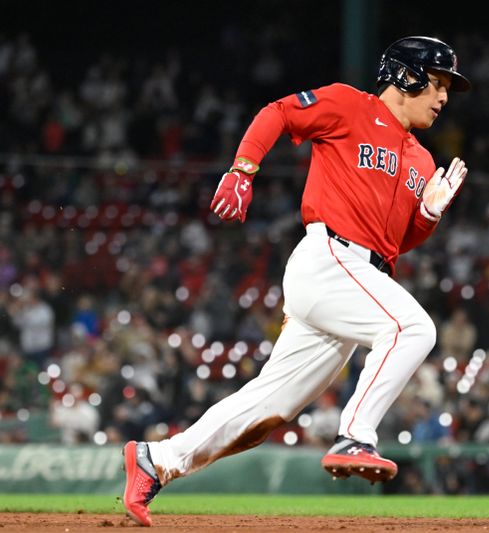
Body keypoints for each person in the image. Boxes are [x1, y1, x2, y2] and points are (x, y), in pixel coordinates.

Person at [121, 35, 470, 527]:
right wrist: (243, 169)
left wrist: (428, 215)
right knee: (414, 329)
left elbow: (394, 242)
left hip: (357, 278)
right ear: (405, 76)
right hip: (328, 257)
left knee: (269, 407)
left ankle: (158, 460)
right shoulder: (351, 106)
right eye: (436, 83)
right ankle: (356, 435)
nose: (443, 98)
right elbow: (278, 112)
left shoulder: (422, 161)